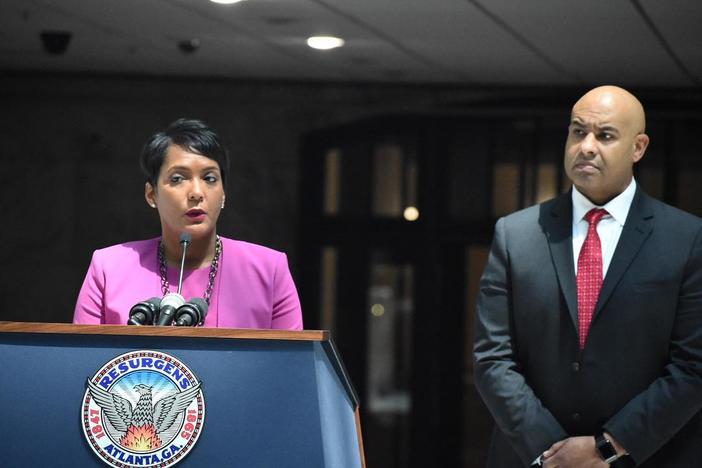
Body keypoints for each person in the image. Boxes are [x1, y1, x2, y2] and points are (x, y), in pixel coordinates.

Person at [473, 86, 702, 467]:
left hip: (649, 455)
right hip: (534, 458)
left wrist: (608, 447)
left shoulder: (687, 238)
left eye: (605, 135)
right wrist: (555, 452)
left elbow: (693, 365)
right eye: (578, 132)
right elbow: (492, 357)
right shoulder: (517, 234)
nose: (587, 146)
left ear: (638, 147)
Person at [73, 118, 303, 330]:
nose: (196, 192)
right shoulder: (108, 269)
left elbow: (290, 367)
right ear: (151, 194)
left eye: (210, 178)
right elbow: (85, 365)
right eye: (178, 178)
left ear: (223, 194)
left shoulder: (270, 270)